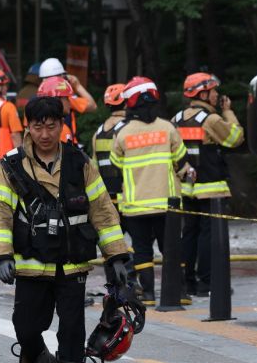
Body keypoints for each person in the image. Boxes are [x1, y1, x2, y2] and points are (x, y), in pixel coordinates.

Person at [0, 95, 129, 363]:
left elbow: (103, 212)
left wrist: (117, 256)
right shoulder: (11, 165)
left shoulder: (80, 163)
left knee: (72, 332)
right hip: (30, 264)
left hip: (72, 264)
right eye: (38, 126)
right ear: (28, 126)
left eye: (52, 126)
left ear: (61, 126)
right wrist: (2, 255)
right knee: (26, 327)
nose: (45, 134)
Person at [110, 77, 194, 306]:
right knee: (171, 249)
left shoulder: (123, 133)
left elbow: (115, 161)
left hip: (136, 205)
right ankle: (181, 293)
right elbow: (181, 160)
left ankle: (148, 295)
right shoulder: (168, 129)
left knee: (142, 251)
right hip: (167, 204)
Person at [173, 73, 244, 297]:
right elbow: (235, 138)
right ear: (202, 93)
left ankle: (188, 282)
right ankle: (207, 283)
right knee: (208, 235)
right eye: (213, 91)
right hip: (211, 186)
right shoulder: (211, 119)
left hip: (187, 186)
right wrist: (228, 111)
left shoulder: (176, 119)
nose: (216, 95)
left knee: (189, 234)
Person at [91, 83, 140, 295]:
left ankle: (115, 285)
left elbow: (93, 169)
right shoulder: (130, 129)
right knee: (140, 242)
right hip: (129, 195)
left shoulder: (99, 133)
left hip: (107, 199)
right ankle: (131, 281)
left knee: (110, 243)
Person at [39, 58, 97, 143]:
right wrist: (77, 86)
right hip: (66, 146)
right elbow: (93, 106)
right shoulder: (65, 99)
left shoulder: (33, 103)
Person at [35, 76, 79, 144]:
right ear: (57, 100)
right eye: (67, 98)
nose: (70, 103)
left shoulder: (36, 128)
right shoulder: (60, 129)